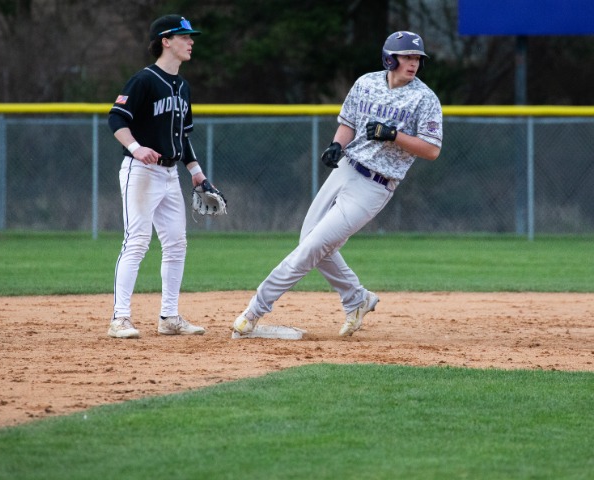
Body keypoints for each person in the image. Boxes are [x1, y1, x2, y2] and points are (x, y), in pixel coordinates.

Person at [233, 31, 443, 338]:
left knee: (313, 247)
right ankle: (357, 299)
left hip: (375, 184)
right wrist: (336, 145)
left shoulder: (424, 98)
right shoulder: (366, 83)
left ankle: (253, 311)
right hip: (346, 169)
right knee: (310, 240)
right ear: (389, 58)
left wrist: (393, 135)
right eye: (406, 57)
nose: (413, 63)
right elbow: (348, 123)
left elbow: (432, 149)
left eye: (417, 58)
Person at [107, 14, 217, 338]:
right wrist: (136, 147)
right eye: (184, 36)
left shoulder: (183, 86)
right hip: (141, 171)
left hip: (170, 175)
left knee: (177, 243)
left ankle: (169, 317)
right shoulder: (144, 80)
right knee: (137, 241)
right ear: (166, 41)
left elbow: (183, 136)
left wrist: (196, 173)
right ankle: (120, 318)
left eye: (190, 37)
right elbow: (116, 119)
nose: (191, 41)